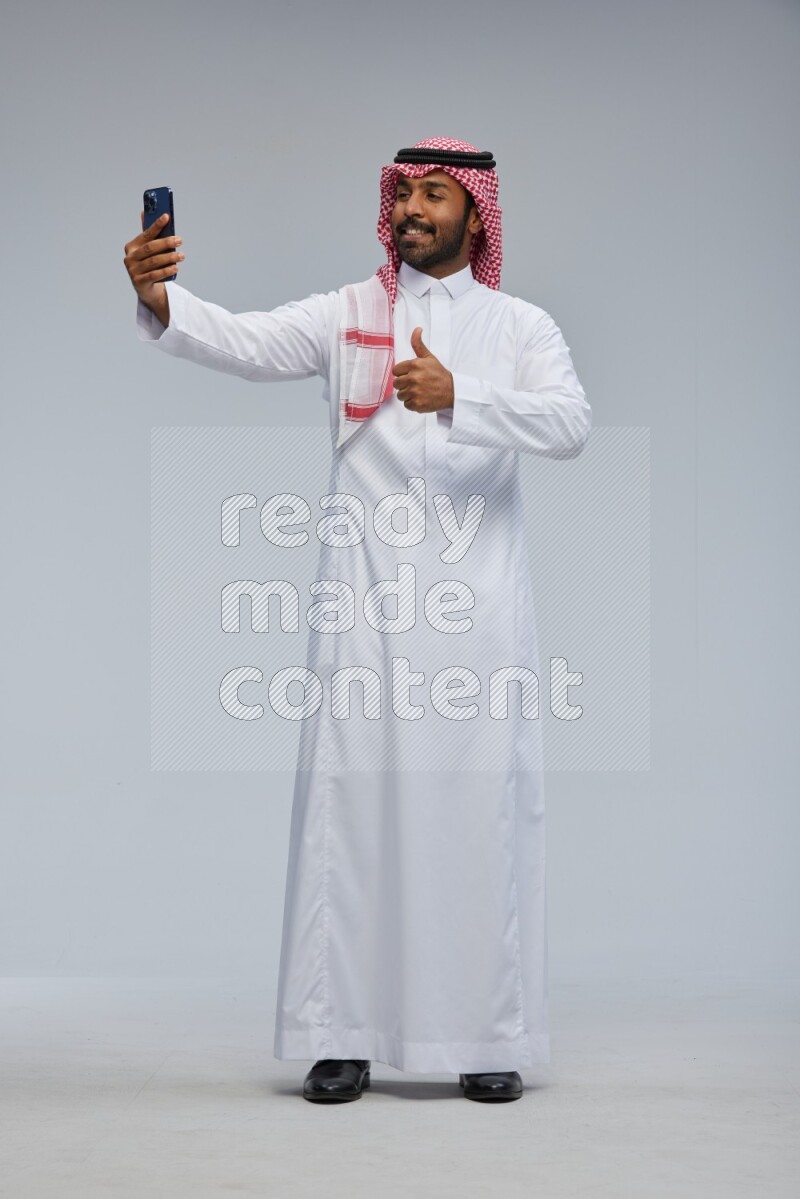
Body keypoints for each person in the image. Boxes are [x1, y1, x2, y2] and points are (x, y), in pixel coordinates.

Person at [125, 136, 591, 1104]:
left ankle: (484, 1031)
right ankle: (339, 1033)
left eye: (434, 195)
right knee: (354, 817)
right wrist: (162, 297)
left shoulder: (519, 327)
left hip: (475, 620)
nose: (413, 210)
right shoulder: (349, 312)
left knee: (477, 821)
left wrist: (463, 395)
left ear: (475, 214)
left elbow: (569, 424)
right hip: (366, 609)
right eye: (402, 195)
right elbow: (245, 340)